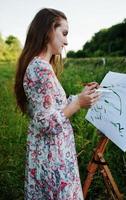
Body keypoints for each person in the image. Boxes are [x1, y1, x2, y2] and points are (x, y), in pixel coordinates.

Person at [14, 8, 100, 200]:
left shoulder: (41, 66)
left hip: (49, 156)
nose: (67, 41)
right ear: (48, 31)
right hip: (52, 160)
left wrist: (81, 96)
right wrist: (78, 102)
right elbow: (46, 122)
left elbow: (51, 108)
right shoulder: (40, 69)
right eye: (64, 33)